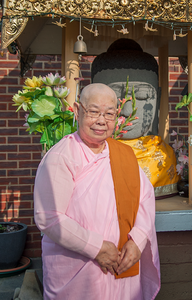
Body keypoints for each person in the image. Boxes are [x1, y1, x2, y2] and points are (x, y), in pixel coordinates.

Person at [34, 83, 160, 300]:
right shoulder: (61, 157)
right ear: (77, 110)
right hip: (79, 272)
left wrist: (138, 241)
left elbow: (145, 197)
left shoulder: (124, 155)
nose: (101, 120)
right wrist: (96, 247)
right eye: (93, 112)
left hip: (123, 266)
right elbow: (50, 217)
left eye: (109, 114)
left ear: (117, 116)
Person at [92, 38, 180, 199]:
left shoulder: (164, 158)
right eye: (116, 98)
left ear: (158, 98)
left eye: (141, 96)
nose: (126, 111)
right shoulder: (90, 156)